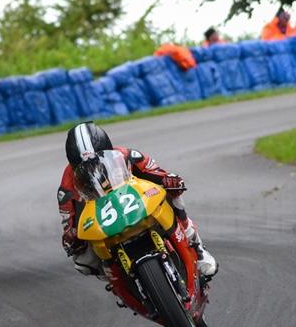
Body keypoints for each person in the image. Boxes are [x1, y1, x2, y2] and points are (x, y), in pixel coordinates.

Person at [57, 121, 218, 283]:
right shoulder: (66, 189)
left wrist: (169, 180)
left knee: (172, 193)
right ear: (73, 166)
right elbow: (68, 224)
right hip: (101, 219)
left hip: (137, 201)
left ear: (109, 150)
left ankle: (196, 246)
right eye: (84, 168)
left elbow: (157, 174)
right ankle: (117, 282)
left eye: (98, 161)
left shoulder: (129, 155)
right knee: (83, 262)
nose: (93, 169)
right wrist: (71, 238)